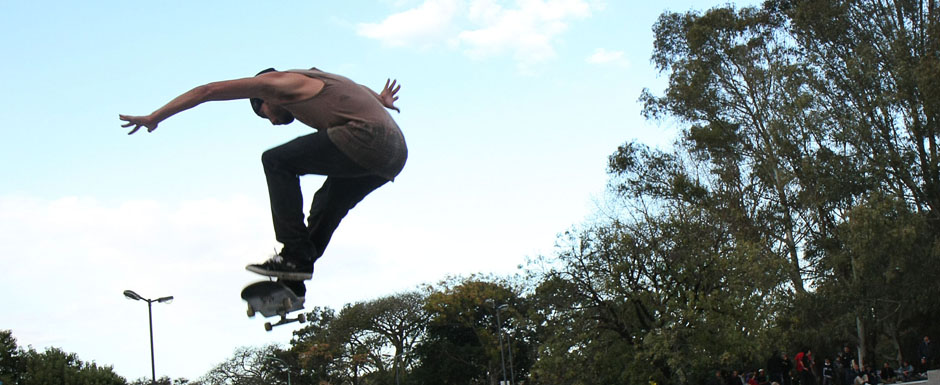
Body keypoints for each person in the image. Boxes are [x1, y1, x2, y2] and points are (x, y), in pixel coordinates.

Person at [120, 67, 407, 296]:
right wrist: (380, 99)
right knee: (327, 204)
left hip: (365, 138)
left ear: (266, 99)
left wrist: (155, 117)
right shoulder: (317, 75)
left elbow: (206, 91)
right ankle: (293, 279)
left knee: (276, 161)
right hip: (392, 155)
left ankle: (293, 256)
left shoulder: (273, 84)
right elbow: (358, 88)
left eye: (264, 114)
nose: (272, 122)